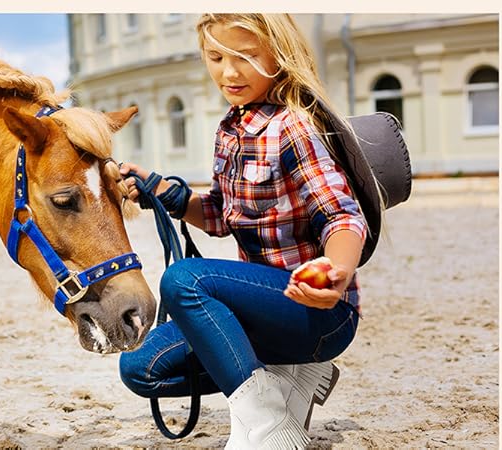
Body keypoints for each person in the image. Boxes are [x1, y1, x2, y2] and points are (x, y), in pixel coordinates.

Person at [118, 13, 370, 449]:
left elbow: (343, 216)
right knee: (140, 367)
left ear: (279, 54)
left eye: (245, 57)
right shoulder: (231, 130)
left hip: (317, 313)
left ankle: (270, 427)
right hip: (259, 314)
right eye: (215, 57)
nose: (228, 72)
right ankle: (291, 376)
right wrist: (160, 191)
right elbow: (220, 216)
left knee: (183, 281)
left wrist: (337, 270)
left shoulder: (293, 126)